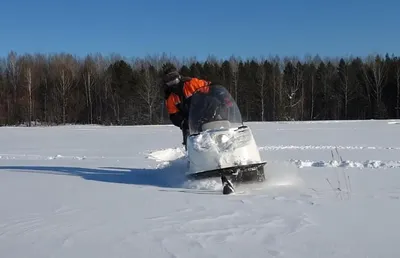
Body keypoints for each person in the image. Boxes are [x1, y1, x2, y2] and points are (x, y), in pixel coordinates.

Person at [161, 68, 213, 149]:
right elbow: (173, 115)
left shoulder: (192, 83)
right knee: (192, 146)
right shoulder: (170, 97)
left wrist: (221, 98)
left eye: (173, 78)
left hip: (207, 116)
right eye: (168, 80)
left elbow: (210, 86)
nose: (172, 81)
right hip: (189, 124)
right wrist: (182, 122)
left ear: (178, 76)